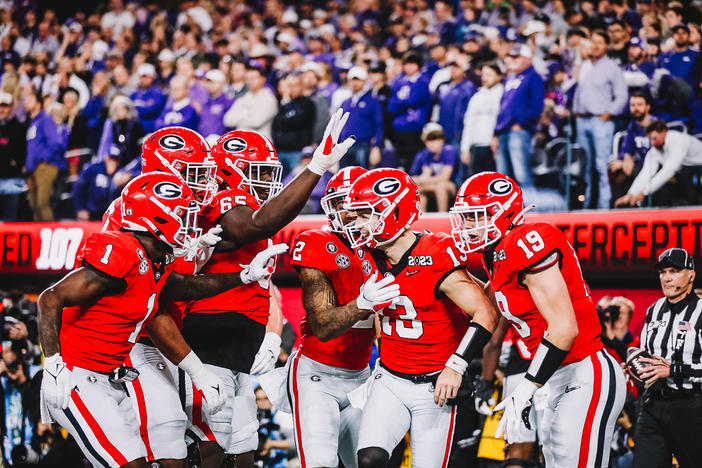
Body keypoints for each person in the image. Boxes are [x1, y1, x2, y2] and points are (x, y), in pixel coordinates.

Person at [37, 172, 282, 468]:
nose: (187, 222)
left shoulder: (157, 259)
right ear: (157, 217)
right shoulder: (121, 250)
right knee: (132, 464)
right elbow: (49, 298)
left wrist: (243, 276)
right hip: (78, 378)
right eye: (180, 213)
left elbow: (186, 286)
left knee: (158, 454)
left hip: (112, 378)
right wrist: (52, 363)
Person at [180, 112, 355, 468]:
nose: (264, 179)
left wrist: (273, 335)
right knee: (208, 449)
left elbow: (265, 285)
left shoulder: (251, 211)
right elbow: (258, 224)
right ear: (230, 169)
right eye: (256, 170)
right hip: (208, 344)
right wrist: (315, 167)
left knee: (244, 451)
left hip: (240, 350)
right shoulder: (221, 201)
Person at [450, 172, 626, 467]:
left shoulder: (525, 241)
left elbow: (564, 328)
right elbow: (482, 312)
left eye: (474, 216)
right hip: (554, 377)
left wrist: (527, 386)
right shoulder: (497, 255)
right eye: (464, 217)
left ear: (501, 213)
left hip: (584, 371)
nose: (466, 226)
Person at [343, 168, 499, 468]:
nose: (358, 225)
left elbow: (486, 312)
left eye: (366, 215)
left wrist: (456, 365)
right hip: (389, 378)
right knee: (369, 459)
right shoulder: (365, 254)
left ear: (395, 213)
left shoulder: (436, 254)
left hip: (434, 386)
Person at [286, 166, 378, 468]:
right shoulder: (316, 241)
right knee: (320, 463)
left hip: (362, 374)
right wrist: (363, 302)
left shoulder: (383, 246)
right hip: (317, 372)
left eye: (356, 203)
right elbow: (323, 327)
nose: (349, 212)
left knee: (371, 461)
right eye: (342, 203)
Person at [629, 247, 701, 468]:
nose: (666, 278)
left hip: (690, 406)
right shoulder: (654, 309)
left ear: (691, 274)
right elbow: (643, 349)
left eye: (674, 271)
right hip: (652, 404)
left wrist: (674, 370)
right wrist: (635, 362)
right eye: (662, 272)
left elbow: (673, 367)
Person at [574, 30, 628, 209]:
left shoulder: (612, 67)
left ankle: (604, 205)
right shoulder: (586, 65)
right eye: (593, 42)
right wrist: (576, 111)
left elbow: (622, 96)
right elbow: (579, 91)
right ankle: (587, 204)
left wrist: (609, 113)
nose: (595, 46)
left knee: (602, 166)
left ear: (606, 46)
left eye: (600, 43)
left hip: (600, 120)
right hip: (582, 120)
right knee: (586, 166)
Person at [615, 119, 702, 207]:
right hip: (685, 169)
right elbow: (645, 173)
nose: (652, 142)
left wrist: (644, 192)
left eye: (654, 138)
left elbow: (668, 171)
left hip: (698, 167)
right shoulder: (655, 149)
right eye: (650, 139)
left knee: (684, 177)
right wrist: (631, 194)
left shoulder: (678, 140)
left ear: (664, 132)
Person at [493, 44, 544, 190]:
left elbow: (537, 107)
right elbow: (502, 108)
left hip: (519, 130)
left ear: (527, 59)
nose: (511, 60)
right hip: (503, 130)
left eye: (515, 57)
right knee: (502, 177)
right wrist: (495, 132)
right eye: (510, 57)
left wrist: (521, 123)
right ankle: (504, 210)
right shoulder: (510, 78)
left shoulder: (534, 77)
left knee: (521, 173)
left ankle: (529, 209)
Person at [24, 90, 64, 222]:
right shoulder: (33, 122)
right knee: (34, 206)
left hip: (45, 166)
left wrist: (43, 160)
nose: (26, 103)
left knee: (42, 204)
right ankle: (38, 240)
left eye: (30, 100)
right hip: (33, 169)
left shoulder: (45, 119)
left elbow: (55, 143)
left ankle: (49, 235)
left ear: (38, 103)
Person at [387, 51, 432, 170]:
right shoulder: (398, 81)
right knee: (400, 161)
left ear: (419, 65)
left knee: (413, 160)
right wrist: (405, 104)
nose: (409, 67)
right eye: (407, 64)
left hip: (415, 127)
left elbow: (414, 100)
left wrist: (400, 103)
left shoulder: (422, 81)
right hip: (399, 127)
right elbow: (391, 106)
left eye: (413, 63)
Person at [609, 91, 655, 203]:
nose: (636, 108)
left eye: (639, 105)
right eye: (633, 105)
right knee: (615, 169)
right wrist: (626, 159)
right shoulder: (632, 126)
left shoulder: (656, 125)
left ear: (647, 107)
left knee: (633, 170)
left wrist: (628, 162)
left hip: (654, 167)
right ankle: (619, 209)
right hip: (637, 167)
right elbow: (626, 151)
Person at [460, 62, 503, 176]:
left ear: (499, 76)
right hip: (476, 145)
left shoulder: (504, 95)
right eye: (483, 75)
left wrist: (498, 141)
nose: (484, 78)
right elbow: (468, 124)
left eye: (489, 75)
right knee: (477, 184)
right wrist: (465, 148)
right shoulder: (476, 97)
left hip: (494, 145)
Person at [272, 73, 316, 176]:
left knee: (296, 184)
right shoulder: (284, 103)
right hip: (281, 151)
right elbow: (275, 124)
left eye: (295, 85)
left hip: (297, 151)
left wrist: (285, 119)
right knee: (278, 184)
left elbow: (298, 121)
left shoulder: (307, 103)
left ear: (301, 86)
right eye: (290, 86)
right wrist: (286, 104)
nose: (292, 89)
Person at [339, 66, 383, 168]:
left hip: (363, 144)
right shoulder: (346, 102)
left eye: (358, 80)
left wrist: (376, 147)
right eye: (352, 80)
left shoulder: (372, 101)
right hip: (344, 146)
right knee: (345, 179)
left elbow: (378, 124)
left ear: (364, 81)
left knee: (362, 177)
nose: (355, 83)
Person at [410, 122, 459, 212]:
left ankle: (442, 217)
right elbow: (426, 174)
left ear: (441, 140)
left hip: (452, 185)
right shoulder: (426, 154)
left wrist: (422, 180)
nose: (430, 144)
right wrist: (420, 180)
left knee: (441, 186)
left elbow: (445, 177)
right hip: (434, 184)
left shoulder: (448, 151)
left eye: (434, 139)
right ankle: (421, 220)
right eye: (428, 140)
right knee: (418, 190)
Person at [223, 63, 278, 140]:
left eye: (253, 78)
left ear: (263, 79)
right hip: (242, 142)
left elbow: (256, 122)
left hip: (261, 144)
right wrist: (248, 114)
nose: (250, 81)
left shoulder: (269, 98)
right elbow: (227, 120)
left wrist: (241, 114)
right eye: (247, 79)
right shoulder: (243, 98)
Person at [0, 92, 26, 221]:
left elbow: (22, 152)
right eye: (0, 106)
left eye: (4, 105)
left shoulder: (19, 127)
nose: (1, 109)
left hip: (12, 179)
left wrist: (16, 165)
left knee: (11, 218)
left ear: (11, 107)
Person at [658, 23, 699, 90]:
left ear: (688, 36)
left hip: (690, 96)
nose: (680, 35)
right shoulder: (663, 57)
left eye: (683, 33)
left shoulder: (697, 56)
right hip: (668, 96)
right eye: (677, 33)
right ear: (673, 36)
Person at [130, 63, 166, 134]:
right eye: (142, 77)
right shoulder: (134, 94)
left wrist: (136, 108)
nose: (144, 79)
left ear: (152, 77)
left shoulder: (158, 93)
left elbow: (150, 110)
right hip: (135, 127)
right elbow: (128, 109)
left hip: (152, 128)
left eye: (146, 77)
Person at [198, 69, 233, 139]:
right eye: (207, 82)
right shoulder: (205, 103)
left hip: (220, 143)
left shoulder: (229, 102)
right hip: (203, 143)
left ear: (222, 83)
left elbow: (231, 125)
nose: (209, 85)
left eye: (212, 82)